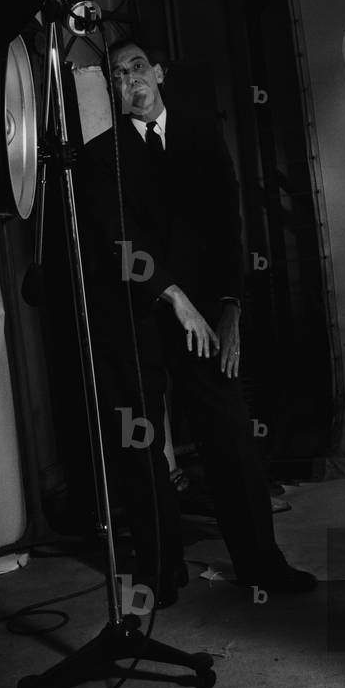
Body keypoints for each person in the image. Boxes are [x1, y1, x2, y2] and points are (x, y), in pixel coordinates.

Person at [76, 37, 316, 605]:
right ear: (110, 89)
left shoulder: (204, 141)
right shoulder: (99, 155)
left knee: (231, 439)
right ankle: (161, 573)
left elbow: (229, 231)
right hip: (135, 320)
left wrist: (231, 309)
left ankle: (262, 564)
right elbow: (118, 240)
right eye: (117, 74)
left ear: (158, 72)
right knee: (140, 445)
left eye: (138, 67)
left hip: (205, 320)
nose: (130, 79)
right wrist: (173, 297)